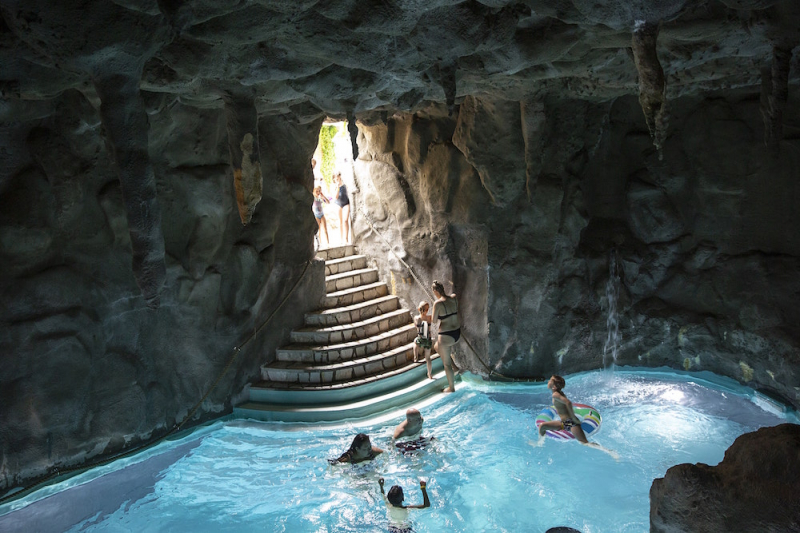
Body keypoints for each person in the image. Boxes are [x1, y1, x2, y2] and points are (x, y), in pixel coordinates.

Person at [538, 375, 590, 443]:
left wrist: (573, 417)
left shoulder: (555, 395)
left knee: (585, 443)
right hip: (564, 423)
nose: (548, 381)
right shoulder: (559, 393)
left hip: (571, 423)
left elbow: (568, 402)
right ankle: (540, 443)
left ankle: (605, 449)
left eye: (550, 380)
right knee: (542, 426)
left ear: (554, 387)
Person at [431, 280, 459, 393]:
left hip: (446, 335)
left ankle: (451, 388)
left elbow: (434, 321)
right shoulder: (454, 297)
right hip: (456, 333)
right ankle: (455, 367)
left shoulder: (437, 303)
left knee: (446, 364)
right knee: (436, 347)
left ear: (435, 291)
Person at [413, 301, 433, 378]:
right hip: (428, 340)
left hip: (421, 340)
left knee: (415, 342)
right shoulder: (429, 318)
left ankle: (416, 358)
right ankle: (430, 374)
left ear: (419, 309)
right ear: (427, 310)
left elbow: (416, 327)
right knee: (428, 358)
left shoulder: (417, 318)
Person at [333, 171, 350, 244]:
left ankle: (346, 238)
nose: (338, 180)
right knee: (340, 222)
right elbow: (336, 197)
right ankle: (341, 238)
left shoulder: (345, 184)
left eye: (338, 178)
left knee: (345, 220)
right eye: (336, 179)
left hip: (346, 203)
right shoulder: (335, 186)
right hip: (338, 203)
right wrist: (337, 187)